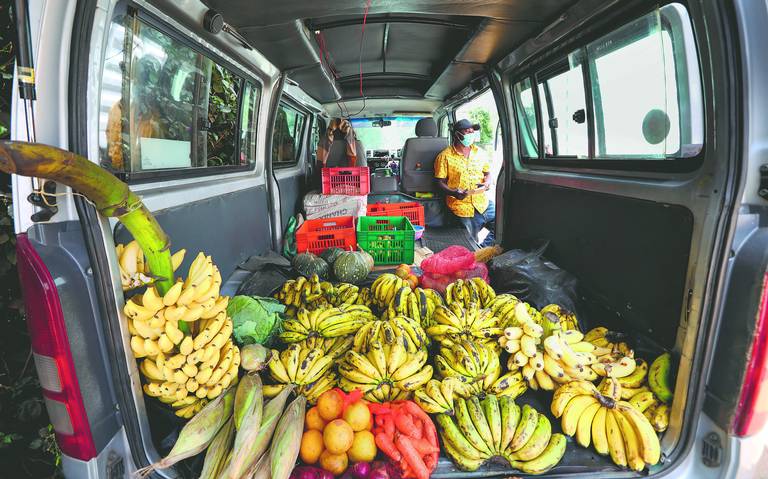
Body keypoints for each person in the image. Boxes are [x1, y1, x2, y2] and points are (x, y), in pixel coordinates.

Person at [434, 119, 495, 246]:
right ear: (457, 135)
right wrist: (454, 193)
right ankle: (476, 255)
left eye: (473, 132)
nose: (471, 134)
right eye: (468, 132)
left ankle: (482, 251)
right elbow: (439, 182)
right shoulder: (444, 156)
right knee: (469, 244)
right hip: (461, 206)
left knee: (503, 227)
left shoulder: (479, 153)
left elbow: (487, 173)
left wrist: (487, 183)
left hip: (483, 203)